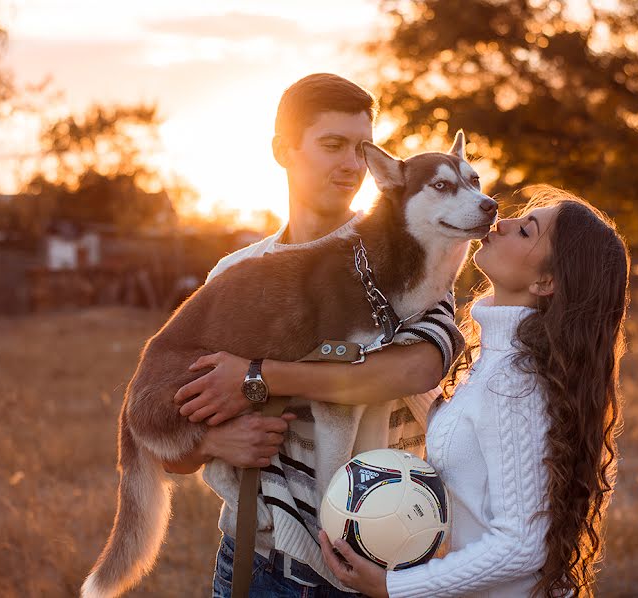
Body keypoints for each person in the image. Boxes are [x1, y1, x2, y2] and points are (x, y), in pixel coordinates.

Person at [185, 188, 630, 597]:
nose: (501, 220)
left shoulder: (514, 382)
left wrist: (396, 587)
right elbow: (461, 431)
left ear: (545, 283)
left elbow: (521, 546)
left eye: (525, 229)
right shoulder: (502, 361)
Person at [162, 73, 464, 596]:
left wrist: (258, 378)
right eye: (332, 145)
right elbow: (175, 448)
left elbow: (415, 367)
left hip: (382, 555)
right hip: (258, 560)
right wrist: (215, 439)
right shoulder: (237, 274)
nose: (351, 164)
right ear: (283, 150)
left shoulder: (411, 258)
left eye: (361, 148)